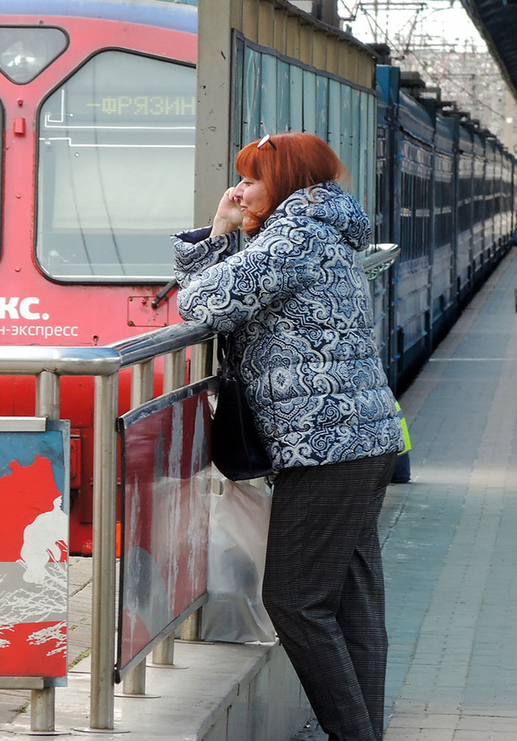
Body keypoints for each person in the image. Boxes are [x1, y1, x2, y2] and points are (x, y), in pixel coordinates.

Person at [172, 132, 403, 741]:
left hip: (326, 446)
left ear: (287, 180)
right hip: (359, 440)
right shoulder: (320, 229)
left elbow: (202, 303)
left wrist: (215, 235)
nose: (239, 190)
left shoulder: (295, 235)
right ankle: (364, 733)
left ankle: (353, 734)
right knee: (353, 599)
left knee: (296, 601)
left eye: (251, 179)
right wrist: (232, 234)